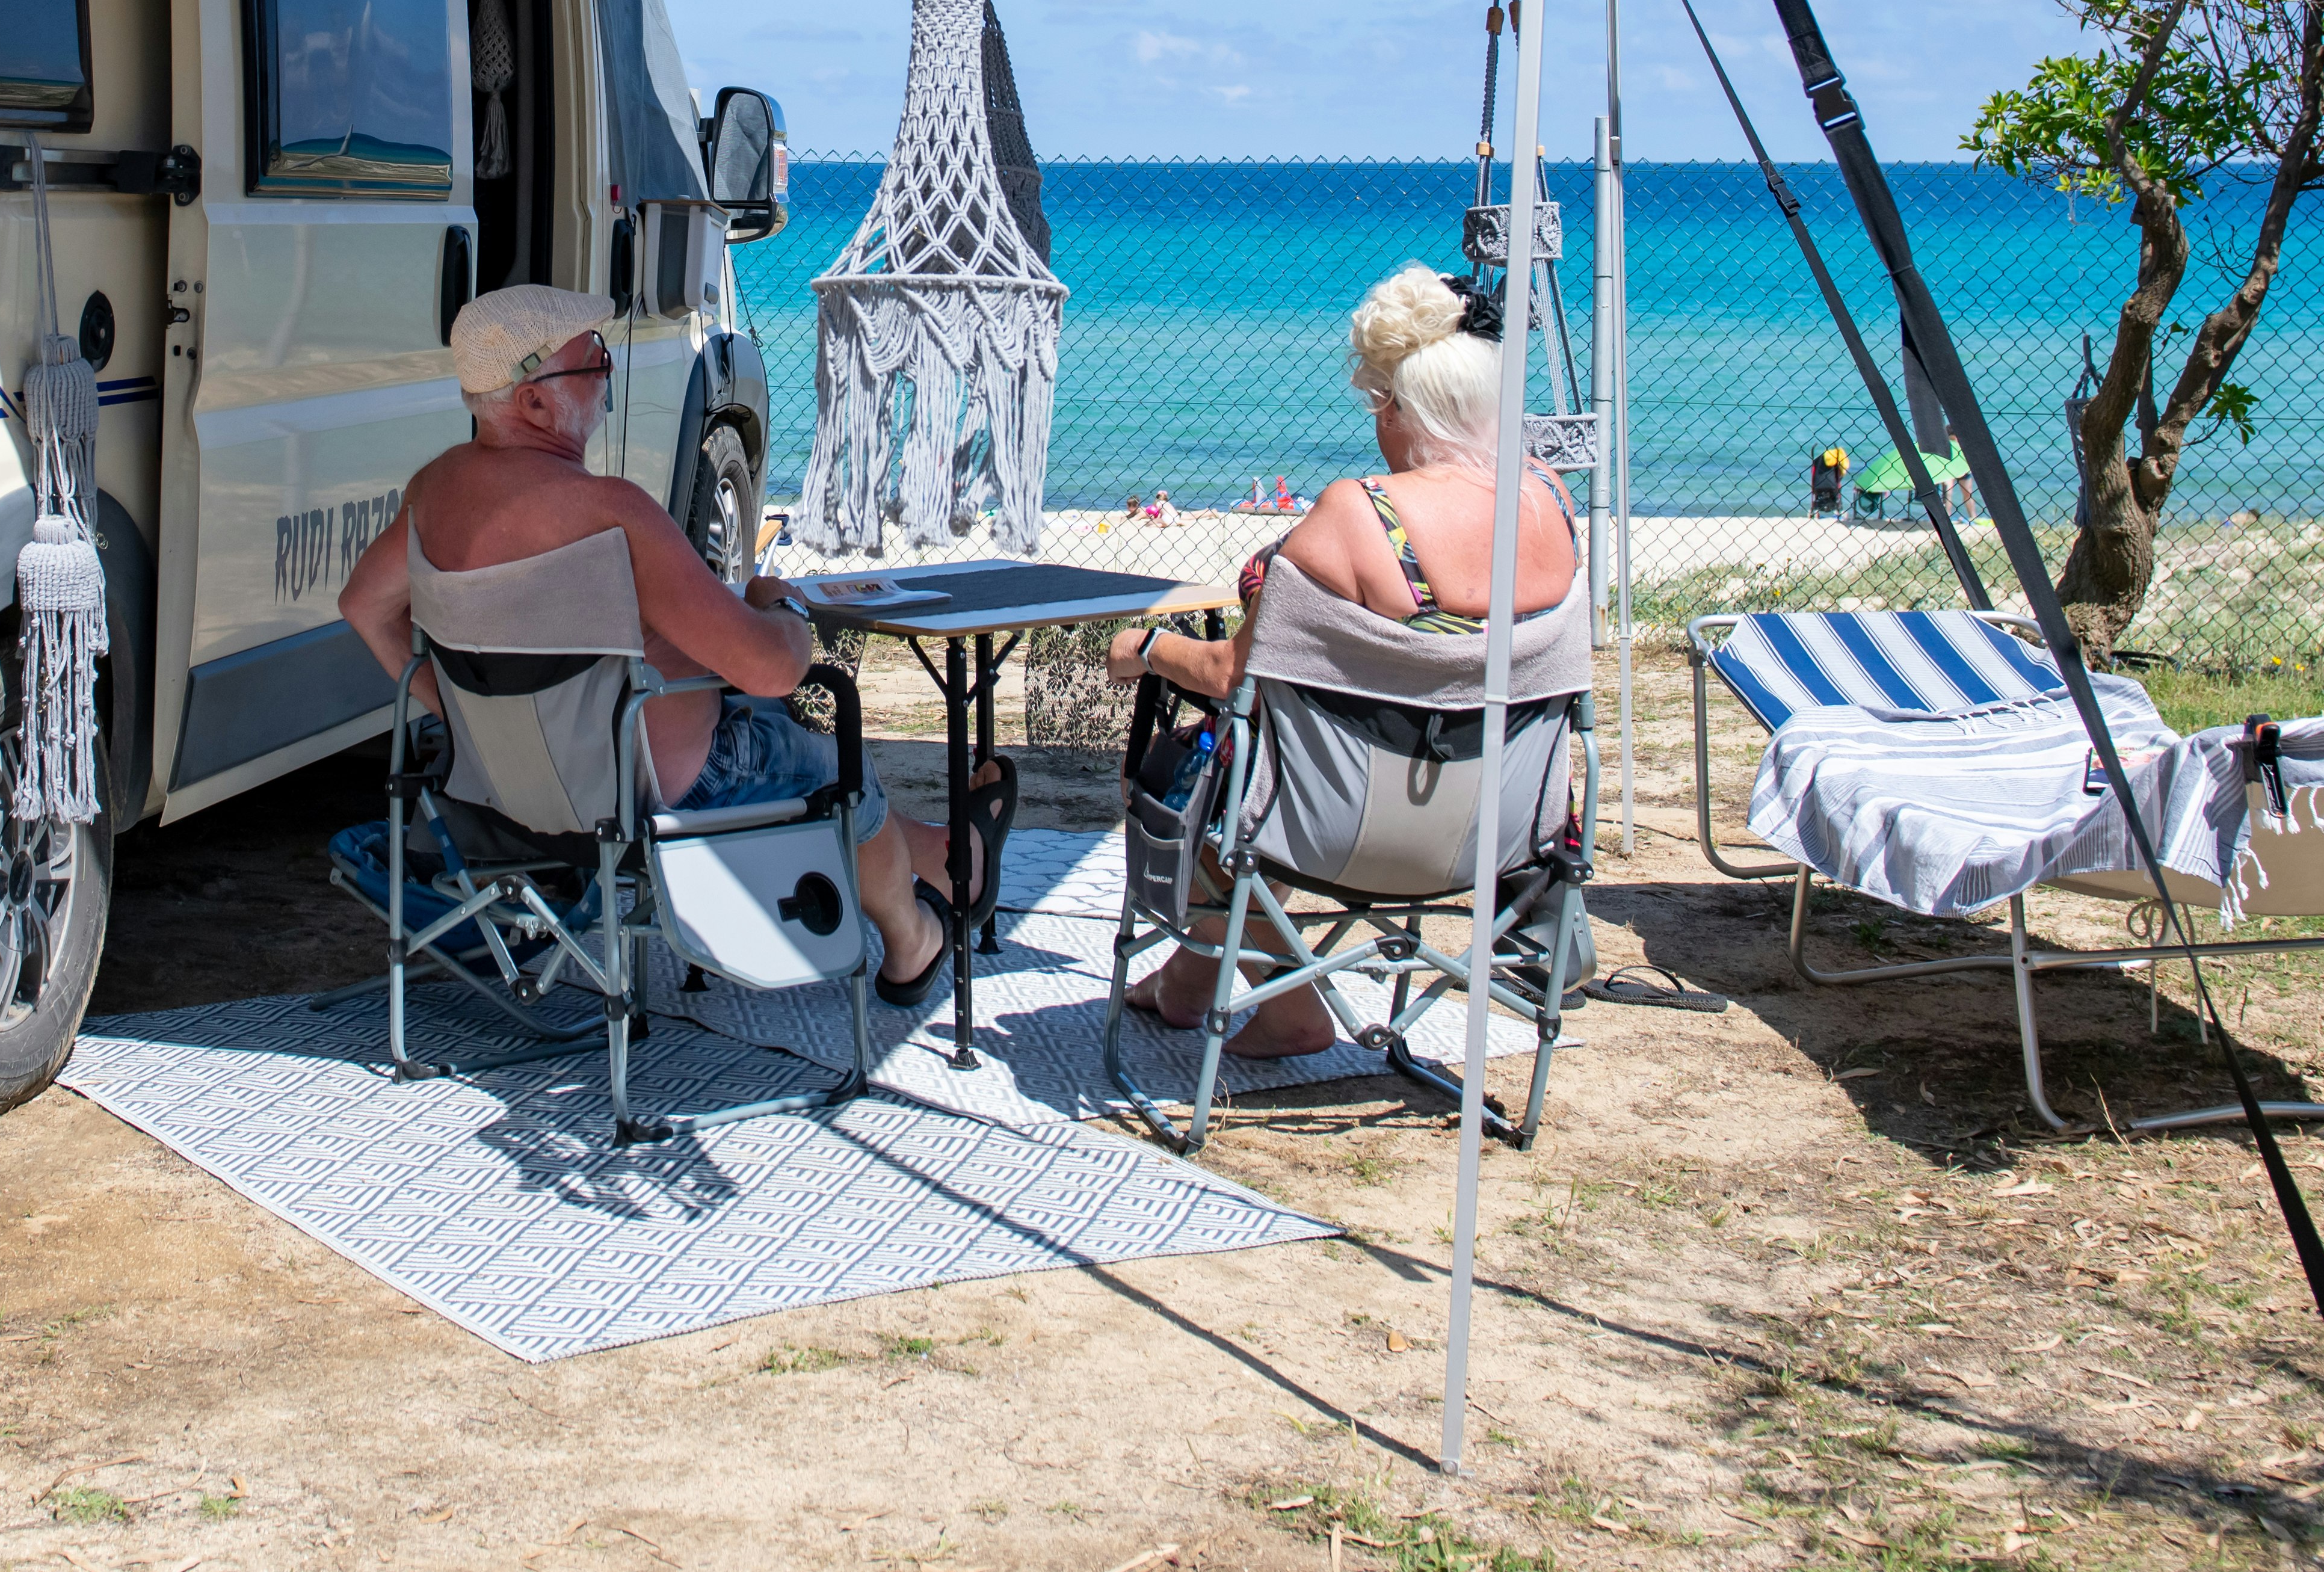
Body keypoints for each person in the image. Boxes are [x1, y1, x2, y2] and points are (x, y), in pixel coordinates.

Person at [339, 286, 958, 1001]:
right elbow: (771, 669)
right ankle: (914, 940)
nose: (608, 373)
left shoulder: (434, 491)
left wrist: (465, 716)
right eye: (593, 360)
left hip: (507, 792)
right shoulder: (609, 515)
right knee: (838, 768)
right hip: (668, 790)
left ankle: (946, 852)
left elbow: (363, 607)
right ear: (535, 402)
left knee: (776, 736)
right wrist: (783, 606)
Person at [1104, 262, 1582, 1055]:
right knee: (1290, 751)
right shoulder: (1552, 503)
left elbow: (1231, 672)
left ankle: (1291, 1008)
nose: (1375, 422)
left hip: (1342, 831)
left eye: (1379, 404)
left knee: (1198, 766)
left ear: (1401, 407)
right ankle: (1191, 979)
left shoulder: (1358, 515)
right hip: (1501, 829)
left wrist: (1147, 648)